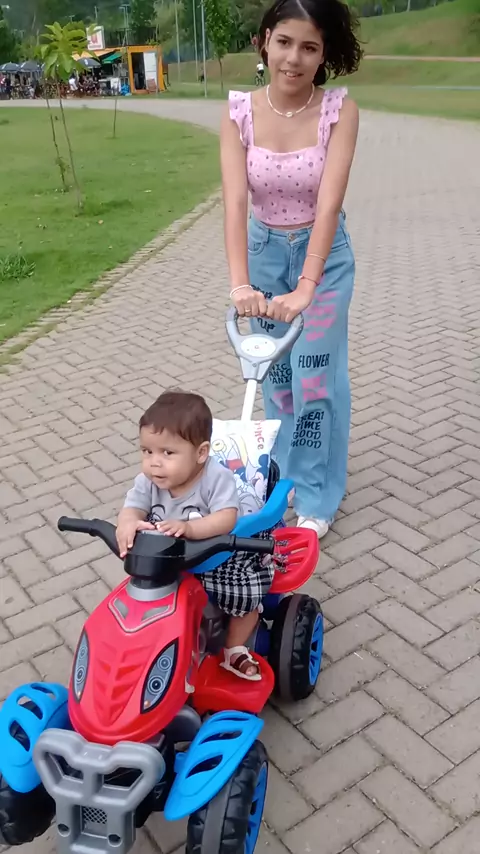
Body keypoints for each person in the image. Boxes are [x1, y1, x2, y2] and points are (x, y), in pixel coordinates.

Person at [221, 0, 362, 539]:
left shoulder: (339, 112)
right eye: (284, 42)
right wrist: (240, 282)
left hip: (323, 261)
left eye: (309, 47)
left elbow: (328, 205)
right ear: (264, 42)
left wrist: (307, 285)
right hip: (263, 256)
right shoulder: (238, 111)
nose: (293, 58)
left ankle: (317, 495)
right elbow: (235, 201)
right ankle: (282, 481)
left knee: (315, 378)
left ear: (324, 54)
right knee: (276, 378)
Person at [116, 391, 275, 681]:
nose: (154, 463)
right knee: (140, 594)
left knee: (245, 599)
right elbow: (134, 506)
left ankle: (234, 648)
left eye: (167, 453)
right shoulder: (149, 481)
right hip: (171, 557)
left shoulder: (216, 478)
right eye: (147, 451)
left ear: (201, 453)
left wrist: (190, 529)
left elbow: (226, 518)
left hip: (219, 556)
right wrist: (127, 523)